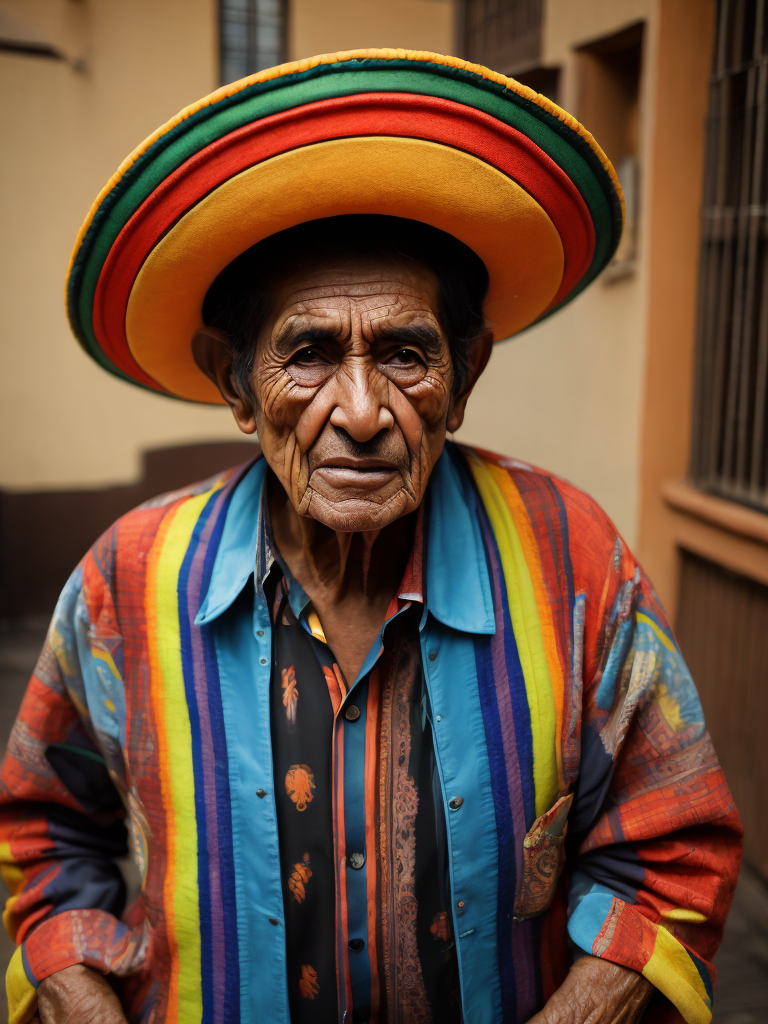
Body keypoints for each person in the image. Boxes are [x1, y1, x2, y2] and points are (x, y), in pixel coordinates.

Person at [0, 49, 741, 1024]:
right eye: (308, 353)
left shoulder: (575, 558)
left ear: (466, 374)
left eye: (404, 352)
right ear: (232, 379)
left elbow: (673, 853)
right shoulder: (125, 584)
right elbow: (45, 836)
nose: (360, 409)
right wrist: (74, 985)